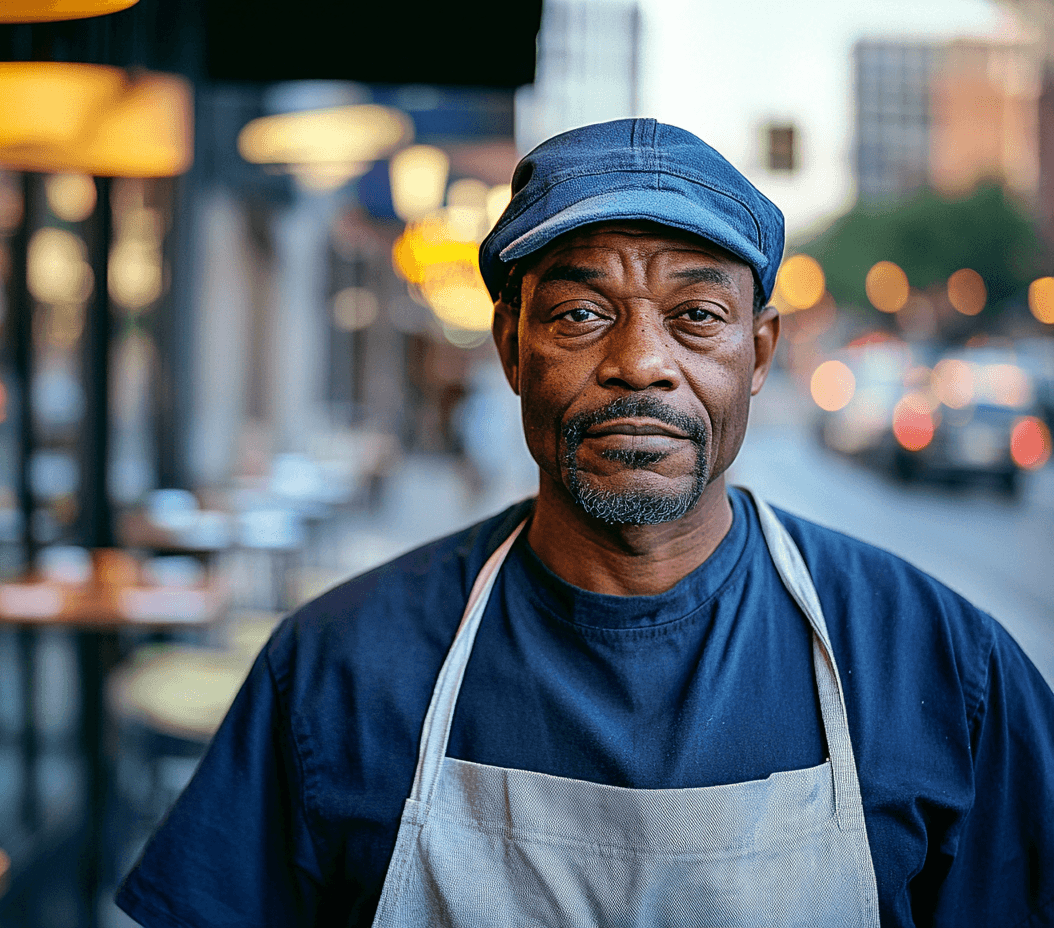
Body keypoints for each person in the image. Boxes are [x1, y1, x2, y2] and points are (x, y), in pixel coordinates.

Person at [116, 119, 1054, 928]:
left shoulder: (944, 673)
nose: (640, 362)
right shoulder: (336, 670)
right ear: (511, 349)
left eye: (694, 315)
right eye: (579, 313)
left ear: (758, 351)